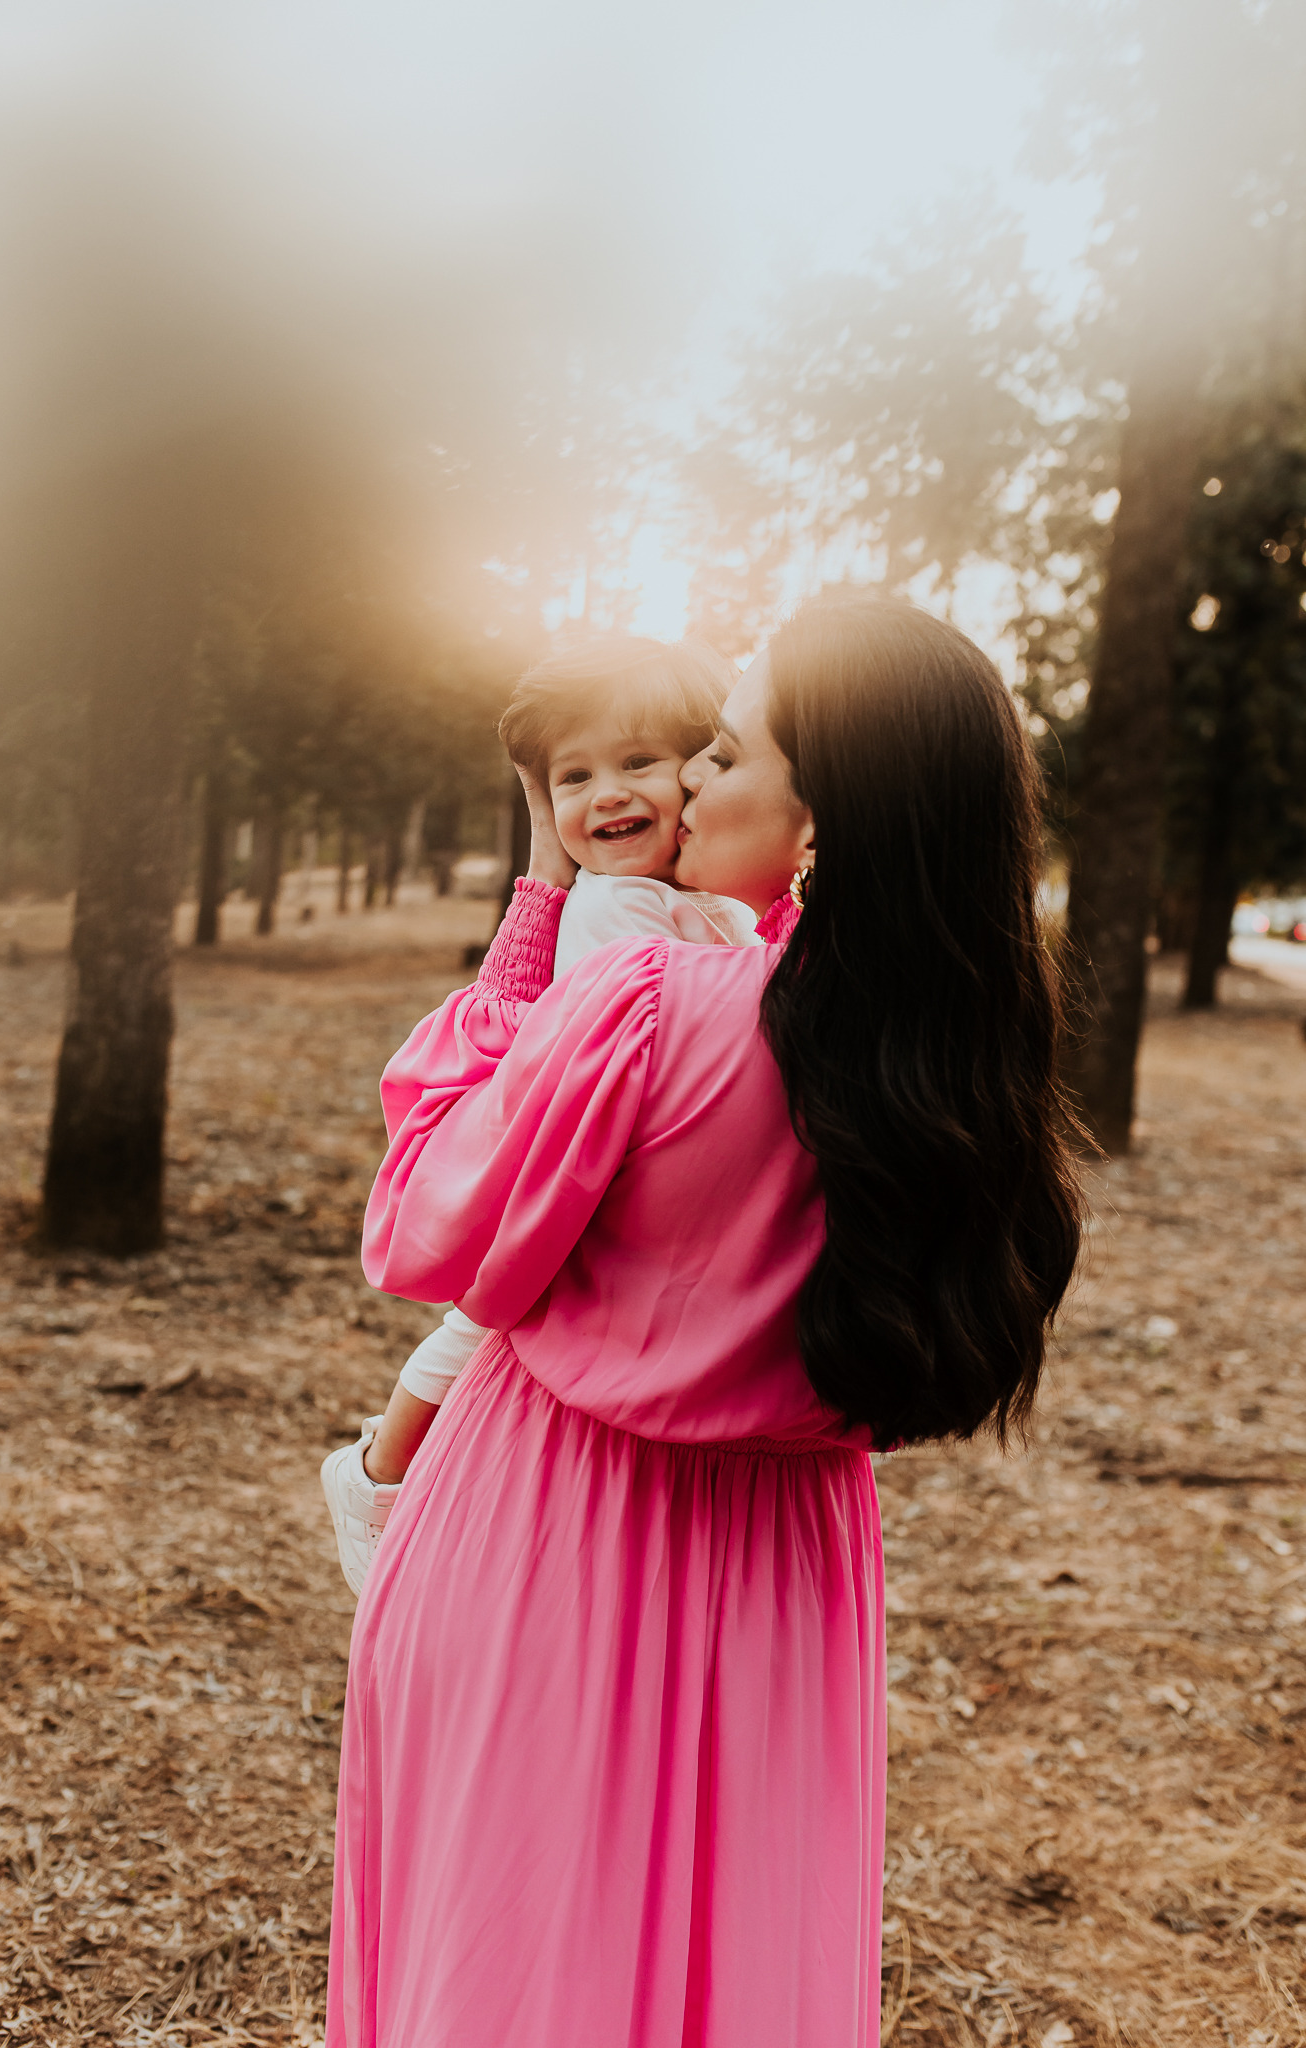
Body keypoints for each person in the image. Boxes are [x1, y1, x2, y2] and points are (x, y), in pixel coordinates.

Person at [325, 595, 1087, 2048]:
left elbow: (422, 1217)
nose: (681, 787)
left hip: (554, 1530)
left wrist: (540, 897)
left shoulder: (644, 1005)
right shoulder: (958, 1058)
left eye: (723, 756)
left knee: (506, 1969)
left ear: (815, 826)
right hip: (788, 1575)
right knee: (734, 1973)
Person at [321, 635, 760, 1595]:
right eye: (573, 777)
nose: (604, 793)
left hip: (629, 1171)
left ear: (699, 769)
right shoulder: (613, 910)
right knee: (486, 1321)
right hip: (579, 1170)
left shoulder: (698, 899)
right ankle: (374, 1474)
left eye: (637, 762)